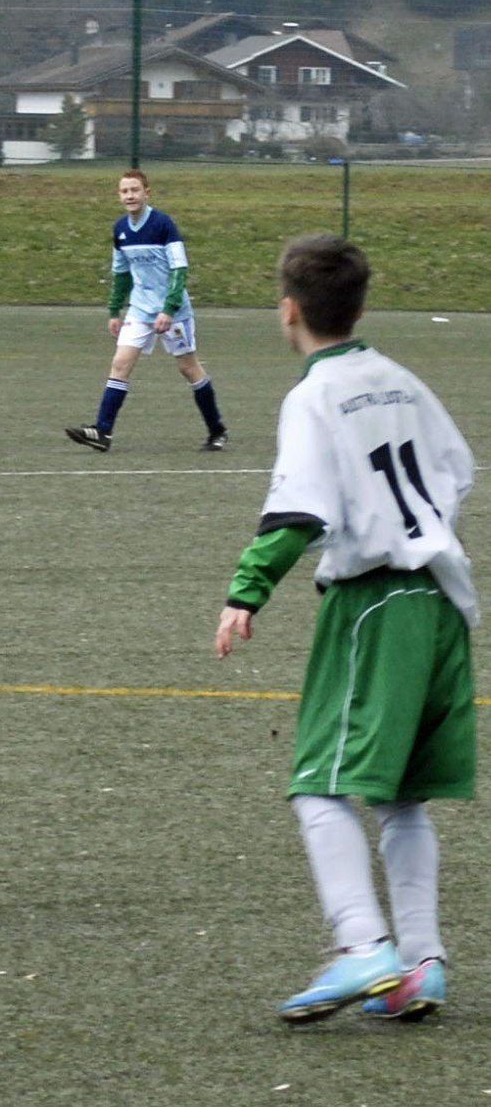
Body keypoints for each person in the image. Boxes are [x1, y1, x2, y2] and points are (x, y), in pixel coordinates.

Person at [214, 234, 476, 1025]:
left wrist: (246, 590)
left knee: (319, 784)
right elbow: (457, 469)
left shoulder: (314, 395)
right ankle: (422, 963)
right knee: (402, 797)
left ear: (287, 310)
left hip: (375, 603)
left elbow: (299, 510)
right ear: (359, 307)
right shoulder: (401, 379)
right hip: (442, 598)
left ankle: (363, 944)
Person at [65, 169, 226, 452]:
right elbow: (121, 273)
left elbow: (179, 269)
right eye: (124, 191)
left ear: (146, 193)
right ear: (119, 195)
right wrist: (115, 311)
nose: (130, 196)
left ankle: (217, 431)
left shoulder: (163, 224)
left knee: (188, 368)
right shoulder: (120, 230)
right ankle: (102, 432)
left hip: (172, 311)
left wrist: (169, 309)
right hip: (140, 310)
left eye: (135, 190)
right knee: (120, 363)